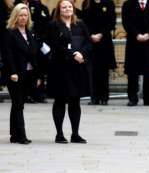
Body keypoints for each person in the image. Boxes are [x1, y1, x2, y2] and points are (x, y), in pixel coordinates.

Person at [46, 0, 91, 144]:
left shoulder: (80, 24)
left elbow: (88, 42)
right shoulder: (53, 25)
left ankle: (75, 134)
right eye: (64, 7)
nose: (67, 9)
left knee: (75, 101)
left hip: (77, 68)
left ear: (73, 9)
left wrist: (82, 54)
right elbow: (55, 45)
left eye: (70, 6)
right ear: (59, 10)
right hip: (60, 68)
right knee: (60, 100)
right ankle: (59, 134)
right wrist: (72, 54)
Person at [2, 3, 39, 144]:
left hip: (28, 73)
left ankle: (14, 135)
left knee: (19, 104)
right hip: (15, 74)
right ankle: (21, 135)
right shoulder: (10, 32)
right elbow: (7, 54)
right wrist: (12, 72)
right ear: (15, 16)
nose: (23, 18)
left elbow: (34, 53)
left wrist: (38, 75)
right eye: (20, 15)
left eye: (25, 15)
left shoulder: (30, 32)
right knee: (18, 103)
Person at [122, 0, 149, 106]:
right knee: (132, 72)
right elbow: (126, 22)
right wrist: (137, 34)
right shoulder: (128, 4)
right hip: (134, 42)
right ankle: (133, 98)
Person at [82, 0, 117, 105]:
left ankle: (104, 97)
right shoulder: (87, 3)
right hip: (91, 42)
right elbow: (84, 22)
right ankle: (94, 97)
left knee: (104, 71)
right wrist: (91, 35)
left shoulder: (109, 3)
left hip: (104, 42)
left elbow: (111, 22)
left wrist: (101, 34)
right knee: (93, 71)